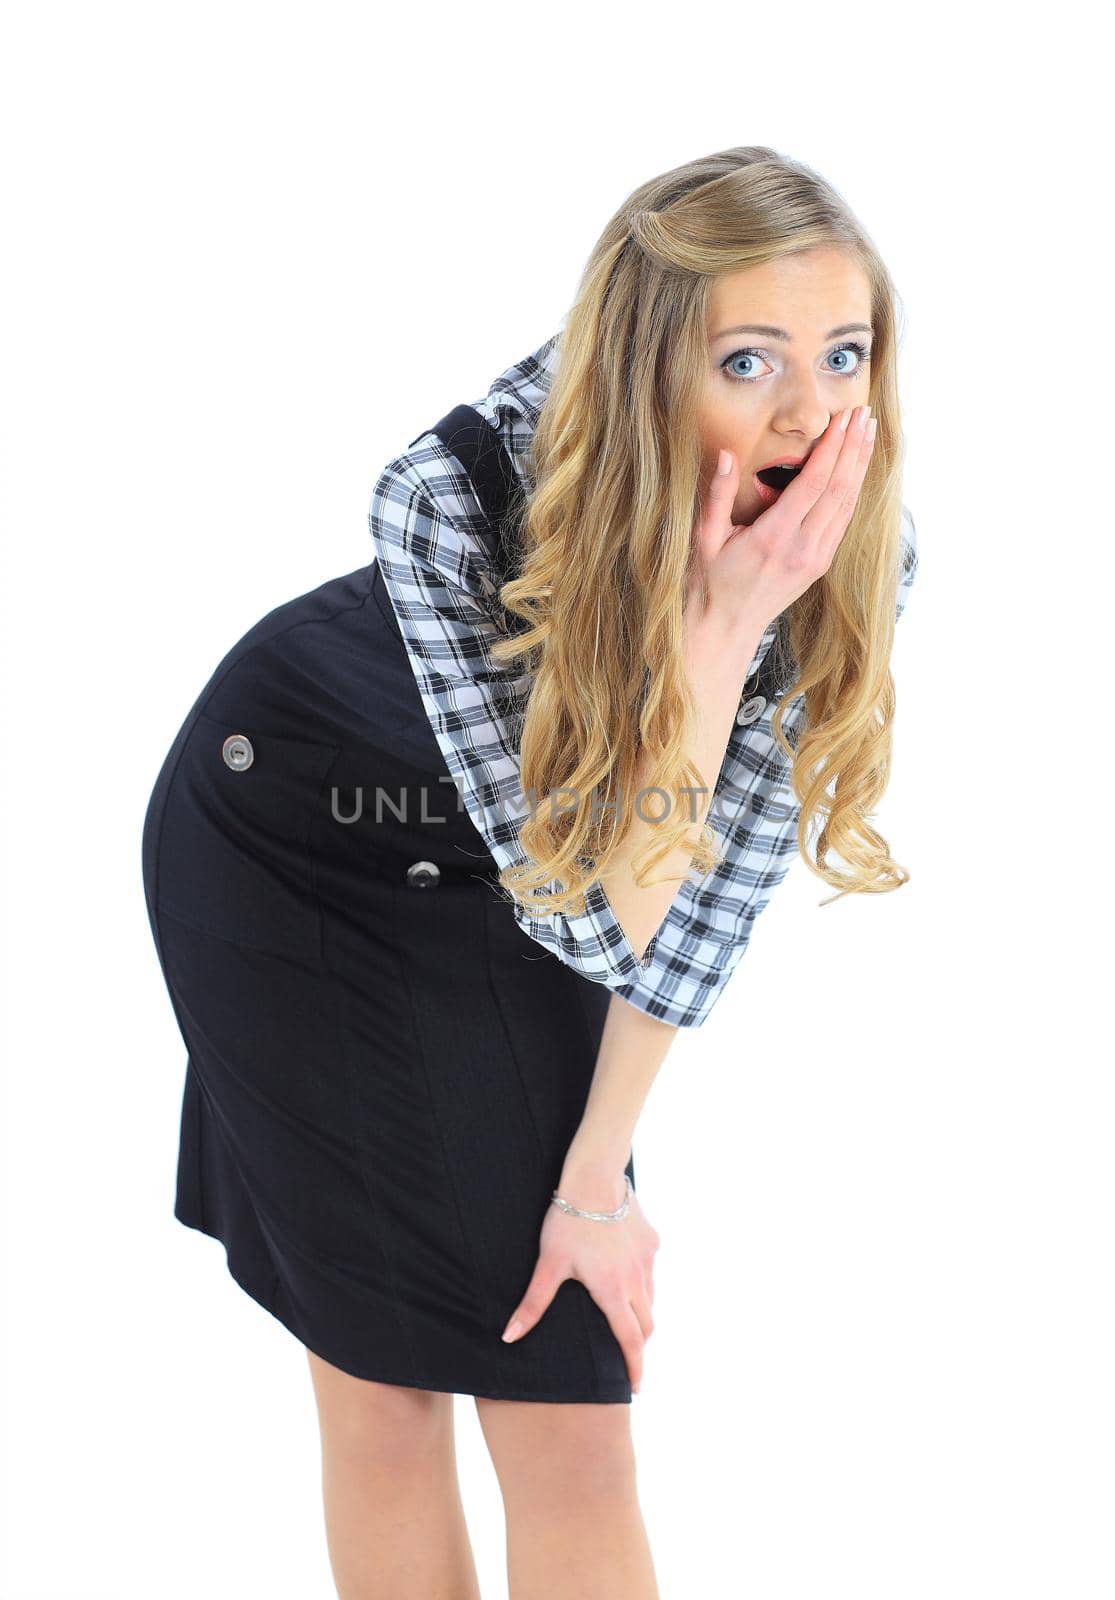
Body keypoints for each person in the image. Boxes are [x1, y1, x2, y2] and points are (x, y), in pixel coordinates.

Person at [140, 143, 919, 1599]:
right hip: (298, 843)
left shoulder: (850, 545)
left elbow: (686, 917)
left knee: (570, 1424)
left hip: (528, 877)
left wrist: (595, 1186)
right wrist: (713, 629)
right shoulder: (448, 493)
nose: (810, 415)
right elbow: (578, 901)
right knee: (380, 1384)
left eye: (844, 352)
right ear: (648, 363)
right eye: (748, 360)